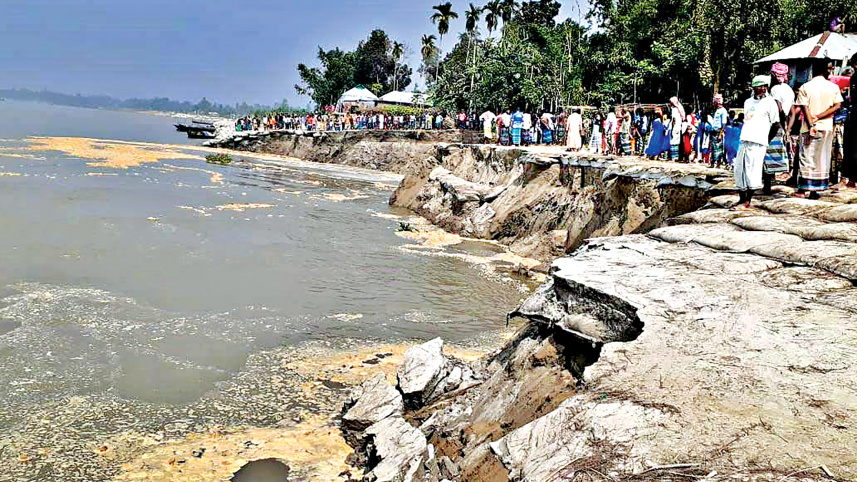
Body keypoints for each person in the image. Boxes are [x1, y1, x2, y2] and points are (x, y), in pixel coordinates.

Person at [794, 58, 844, 198]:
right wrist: (821, 116)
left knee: (806, 157)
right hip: (826, 126)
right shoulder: (833, 87)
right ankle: (817, 189)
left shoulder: (805, 87)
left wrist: (811, 123)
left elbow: (804, 107)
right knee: (822, 157)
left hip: (808, 127)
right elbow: (837, 105)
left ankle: (803, 188)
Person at [732, 76, 781, 210]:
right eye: (758, 87)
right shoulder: (748, 102)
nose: (761, 89)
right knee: (739, 169)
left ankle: (747, 201)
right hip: (744, 138)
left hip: (758, 141)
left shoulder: (771, 102)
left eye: (763, 86)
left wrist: (766, 140)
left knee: (752, 170)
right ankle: (741, 199)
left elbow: (776, 124)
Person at [764, 63, 795, 192]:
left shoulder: (775, 89)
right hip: (784, 125)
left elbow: (779, 108)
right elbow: (792, 112)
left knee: (767, 155)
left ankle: (767, 185)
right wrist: (787, 129)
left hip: (774, 125)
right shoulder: (789, 89)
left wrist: (776, 123)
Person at [843, 53, 857, 188]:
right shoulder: (853, 78)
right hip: (853, 115)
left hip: (854, 116)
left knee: (853, 148)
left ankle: (852, 179)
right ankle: (852, 179)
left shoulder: (855, 78)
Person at [668, 97, 686, 161]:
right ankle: (677, 156)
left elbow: (673, 120)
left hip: (676, 127)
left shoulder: (674, 109)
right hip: (680, 127)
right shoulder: (679, 109)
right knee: (678, 141)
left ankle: (674, 157)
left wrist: (672, 127)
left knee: (673, 141)